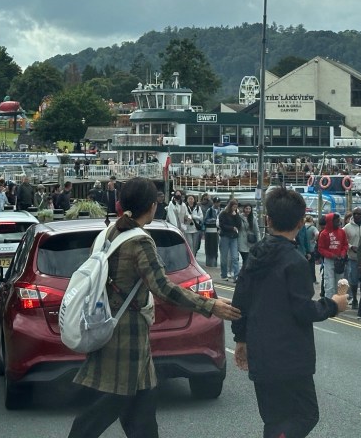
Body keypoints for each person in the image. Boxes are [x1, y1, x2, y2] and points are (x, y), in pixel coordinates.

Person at [67, 177, 240, 438]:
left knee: (143, 409)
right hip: (128, 334)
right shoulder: (140, 242)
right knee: (111, 403)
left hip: (112, 325)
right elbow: (163, 287)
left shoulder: (109, 232)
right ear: (151, 206)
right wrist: (210, 305)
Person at [231, 187, 348, 438]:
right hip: (291, 356)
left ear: (267, 220)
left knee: (274, 419)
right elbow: (304, 310)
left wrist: (240, 338)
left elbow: (239, 301)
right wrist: (334, 304)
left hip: (261, 351)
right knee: (306, 414)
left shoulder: (254, 255)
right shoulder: (295, 262)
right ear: (299, 222)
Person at [316, 212, 347, 300]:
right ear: (330, 221)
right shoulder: (324, 233)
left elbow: (345, 244)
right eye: (336, 221)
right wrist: (331, 255)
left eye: (338, 221)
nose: (338, 223)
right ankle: (329, 303)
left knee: (339, 283)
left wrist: (342, 253)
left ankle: (338, 302)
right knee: (329, 283)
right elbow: (320, 248)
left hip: (340, 260)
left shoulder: (342, 232)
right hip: (329, 260)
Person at [342, 208, 361, 310]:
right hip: (353, 257)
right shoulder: (347, 227)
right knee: (353, 280)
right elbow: (343, 241)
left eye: (359, 214)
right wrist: (350, 246)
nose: (357, 215)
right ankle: (354, 298)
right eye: (355, 214)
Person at [218, 199, 242, 280]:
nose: (235, 208)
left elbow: (239, 224)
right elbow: (222, 225)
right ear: (230, 206)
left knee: (235, 257)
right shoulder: (223, 213)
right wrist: (232, 228)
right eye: (233, 206)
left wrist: (236, 215)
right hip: (225, 236)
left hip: (233, 237)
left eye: (236, 207)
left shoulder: (236, 214)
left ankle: (236, 275)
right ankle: (224, 274)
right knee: (224, 257)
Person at [237, 204, 259, 275]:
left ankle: (244, 274)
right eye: (246, 208)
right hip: (242, 241)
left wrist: (259, 242)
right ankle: (243, 274)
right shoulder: (239, 217)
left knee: (248, 259)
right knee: (245, 258)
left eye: (249, 209)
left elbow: (257, 231)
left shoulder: (253, 218)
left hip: (251, 242)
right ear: (244, 209)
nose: (248, 210)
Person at [202, 196, 220, 267]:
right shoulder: (209, 210)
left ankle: (214, 262)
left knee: (215, 246)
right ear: (213, 203)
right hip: (209, 231)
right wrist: (214, 220)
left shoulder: (220, 210)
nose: (217, 204)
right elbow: (205, 220)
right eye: (216, 202)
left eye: (218, 203)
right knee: (209, 247)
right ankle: (209, 263)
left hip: (216, 231)